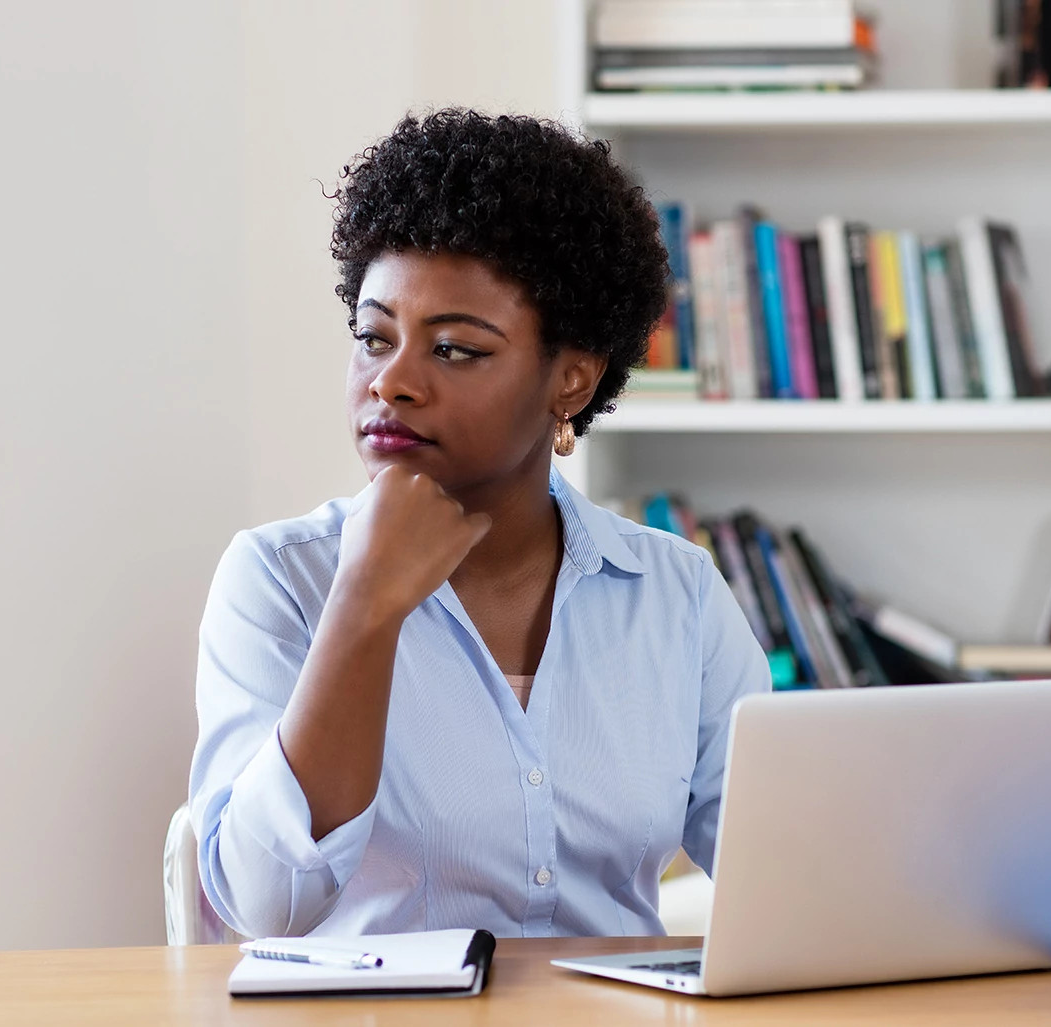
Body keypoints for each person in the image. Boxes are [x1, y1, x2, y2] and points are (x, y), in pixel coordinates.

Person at [188, 109, 771, 940]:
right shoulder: (280, 579)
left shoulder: (674, 595)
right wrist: (363, 606)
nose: (392, 382)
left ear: (571, 378)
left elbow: (783, 867)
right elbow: (265, 905)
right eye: (372, 338)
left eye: (454, 348)